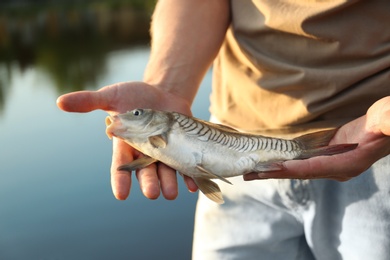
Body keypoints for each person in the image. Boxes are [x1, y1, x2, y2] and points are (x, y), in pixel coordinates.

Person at [57, 1, 390, 259]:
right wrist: (167, 86)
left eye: (141, 115)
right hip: (237, 156)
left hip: (374, 147)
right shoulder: (157, 133)